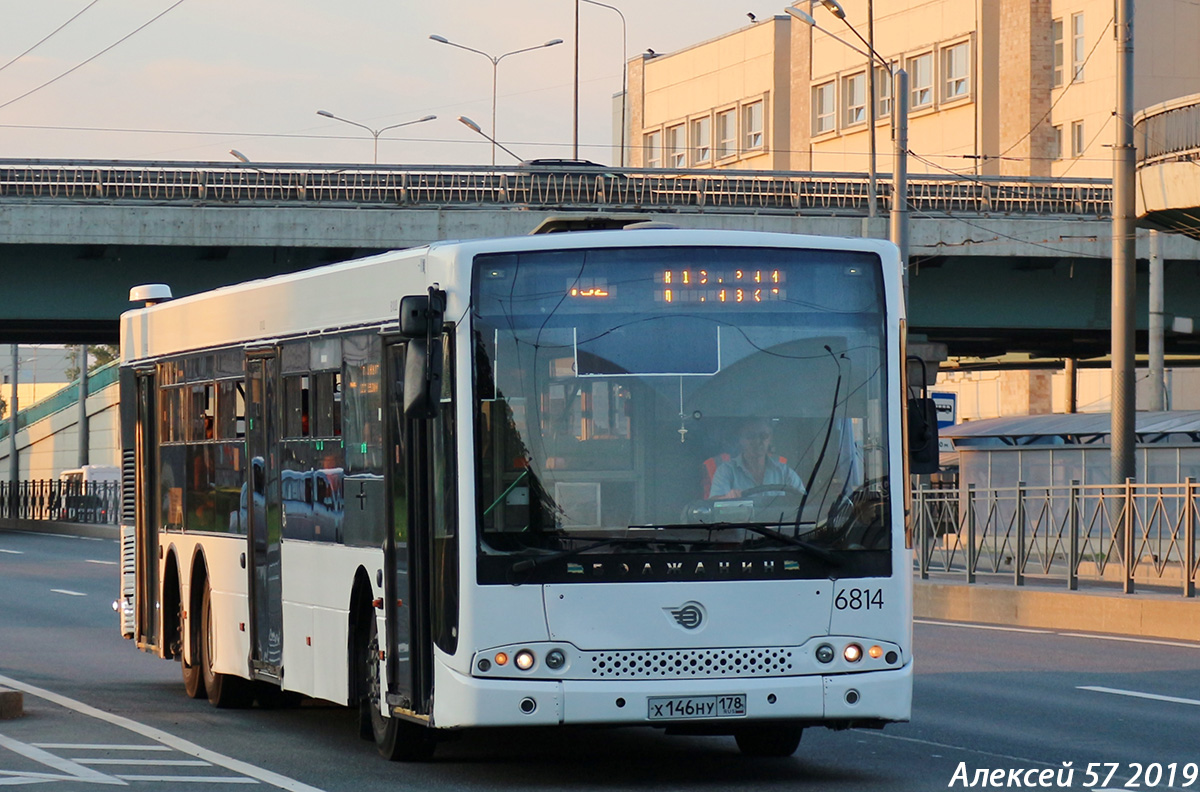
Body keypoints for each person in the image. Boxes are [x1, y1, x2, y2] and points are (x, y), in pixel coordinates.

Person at [709, 419, 805, 499]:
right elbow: (713, 504)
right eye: (751, 436)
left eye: (763, 436)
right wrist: (727, 499)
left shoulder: (785, 472)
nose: (758, 441)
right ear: (741, 440)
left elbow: (804, 501)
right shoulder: (726, 471)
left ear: (770, 439)